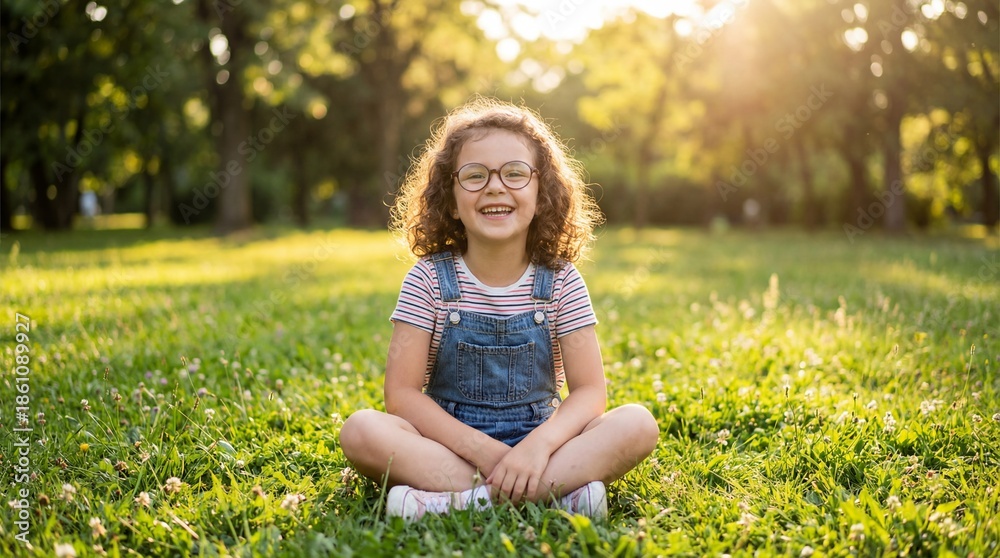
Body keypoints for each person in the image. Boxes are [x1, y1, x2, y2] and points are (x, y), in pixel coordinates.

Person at [339, 98, 659, 522]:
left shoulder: (561, 281)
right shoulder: (428, 280)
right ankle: (555, 497)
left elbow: (589, 393)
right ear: (451, 200)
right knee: (361, 430)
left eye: (514, 173)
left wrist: (537, 448)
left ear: (541, 193)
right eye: (474, 175)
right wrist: (486, 453)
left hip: (541, 446)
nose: (495, 186)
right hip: (451, 447)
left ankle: (451, 503)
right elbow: (401, 395)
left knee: (637, 424)